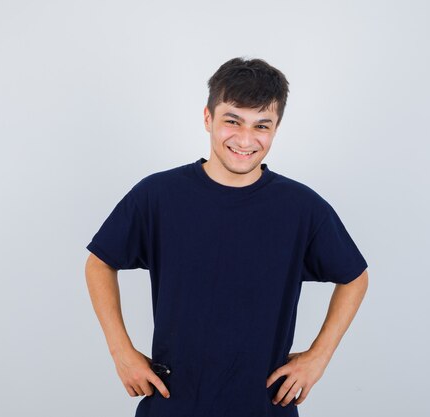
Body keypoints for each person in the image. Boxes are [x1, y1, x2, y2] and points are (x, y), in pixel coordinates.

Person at [84, 57, 369, 417]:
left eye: (261, 125)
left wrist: (318, 356)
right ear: (208, 118)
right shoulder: (158, 196)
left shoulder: (302, 209)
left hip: (263, 406)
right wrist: (121, 352)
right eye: (232, 121)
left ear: (276, 128)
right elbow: (99, 263)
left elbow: (355, 277)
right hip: (174, 404)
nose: (246, 139)